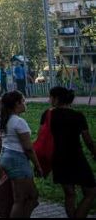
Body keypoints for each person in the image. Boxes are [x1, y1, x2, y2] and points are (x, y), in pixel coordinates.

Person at [44, 86, 96, 218]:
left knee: (69, 193)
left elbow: (42, 136)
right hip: (76, 157)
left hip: (58, 158)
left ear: (56, 98)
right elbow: (88, 140)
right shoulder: (78, 116)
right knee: (90, 192)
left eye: (50, 97)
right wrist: (94, 153)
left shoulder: (48, 114)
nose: (49, 99)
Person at [0, 90, 42, 218]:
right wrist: (37, 166)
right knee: (26, 197)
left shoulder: (2, 120)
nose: (25, 103)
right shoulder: (19, 122)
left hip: (6, 156)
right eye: (23, 101)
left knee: (23, 197)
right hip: (17, 160)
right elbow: (28, 148)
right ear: (17, 104)